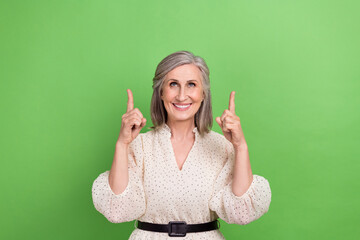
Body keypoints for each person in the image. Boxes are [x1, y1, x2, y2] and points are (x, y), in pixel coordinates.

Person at [91, 51, 272, 239]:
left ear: (203, 94)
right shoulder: (140, 146)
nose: (182, 95)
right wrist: (122, 144)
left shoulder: (222, 146)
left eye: (191, 85)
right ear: (161, 92)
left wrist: (240, 146)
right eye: (173, 84)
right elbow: (117, 211)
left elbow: (242, 212)